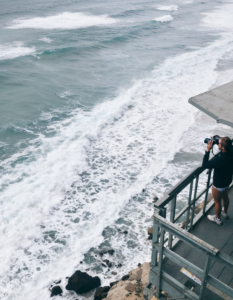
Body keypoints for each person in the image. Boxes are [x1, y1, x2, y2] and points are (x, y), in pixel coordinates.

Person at [202, 136, 233, 225]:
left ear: (223, 147)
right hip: (228, 180)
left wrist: (208, 150)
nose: (218, 144)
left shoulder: (219, 159)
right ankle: (225, 213)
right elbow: (228, 144)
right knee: (225, 196)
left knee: (217, 201)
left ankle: (218, 218)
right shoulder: (231, 151)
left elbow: (205, 164)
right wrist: (217, 138)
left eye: (218, 143)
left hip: (219, 183)